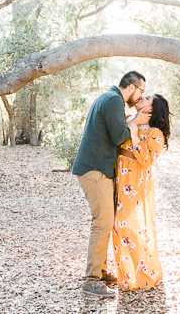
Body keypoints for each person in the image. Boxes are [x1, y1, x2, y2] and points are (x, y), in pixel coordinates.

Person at [72, 71, 151, 298]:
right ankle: (91, 281)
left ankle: (101, 272)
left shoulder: (110, 98)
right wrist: (136, 122)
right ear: (132, 87)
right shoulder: (115, 99)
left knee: (104, 223)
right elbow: (119, 137)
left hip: (97, 168)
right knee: (102, 223)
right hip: (95, 169)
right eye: (141, 91)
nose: (140, 97)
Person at [112, 93, 171, 291]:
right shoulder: (128, 120)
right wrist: (132, 125)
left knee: (134, 228)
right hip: (119, 179)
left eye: (146, 98)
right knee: (118, 227)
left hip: (137, 183)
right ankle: (127, 276)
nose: (140, 98)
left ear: (152, 109)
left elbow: (146, 161)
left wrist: (135, 133)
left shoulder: (156, 133)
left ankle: (144, 275)